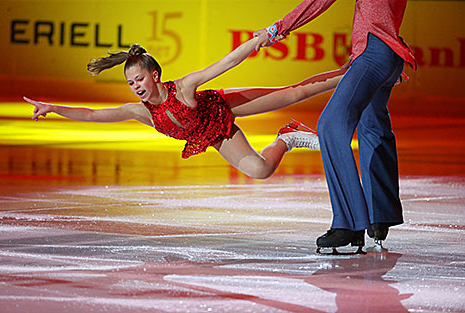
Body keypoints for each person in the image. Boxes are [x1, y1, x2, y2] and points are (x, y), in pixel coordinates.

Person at [24, 37, 347, 180]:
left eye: (139, 79)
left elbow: (227, 63)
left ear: (155, 75)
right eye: (130, 84)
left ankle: (350, 72)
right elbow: (93, 115)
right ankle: (287, 137)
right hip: (214, 135)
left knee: (295, 93)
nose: (135, 87)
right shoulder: (141, 112)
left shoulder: (183, 88)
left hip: (222, 106)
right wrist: (53, 107)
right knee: (260, 170)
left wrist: (261, 39)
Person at [254, 0, 416, 251]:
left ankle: (349, 222)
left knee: (331, 125)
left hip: (374, 52)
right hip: (390, 54)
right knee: (372, 125)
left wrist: (276, 30)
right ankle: (379, 214)